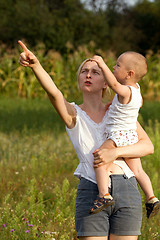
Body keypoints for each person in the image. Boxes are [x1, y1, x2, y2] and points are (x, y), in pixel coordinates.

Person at [18, 40, 154, 240]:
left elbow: (147, 146)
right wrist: (36, 66)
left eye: (96, 71)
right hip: (92, 190)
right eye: (84, 71)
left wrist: (115, 152)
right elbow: (54, 93)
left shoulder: (119, 113)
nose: (88, 74)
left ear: (107, 81)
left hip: (127, 188)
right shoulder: (74, 114)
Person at [89, 53, 160, 218]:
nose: (114, 67)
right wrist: (113, 107)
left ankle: (103, 195)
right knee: (138, 170)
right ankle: (151, 197)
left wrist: (101, 62)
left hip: (117, 136)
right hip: (131, 136)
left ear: (130, 74)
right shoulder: (137, 92)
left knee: (100, 160)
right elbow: (126, 108)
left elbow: (113, 84)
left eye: (118, 65)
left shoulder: (124, 91)